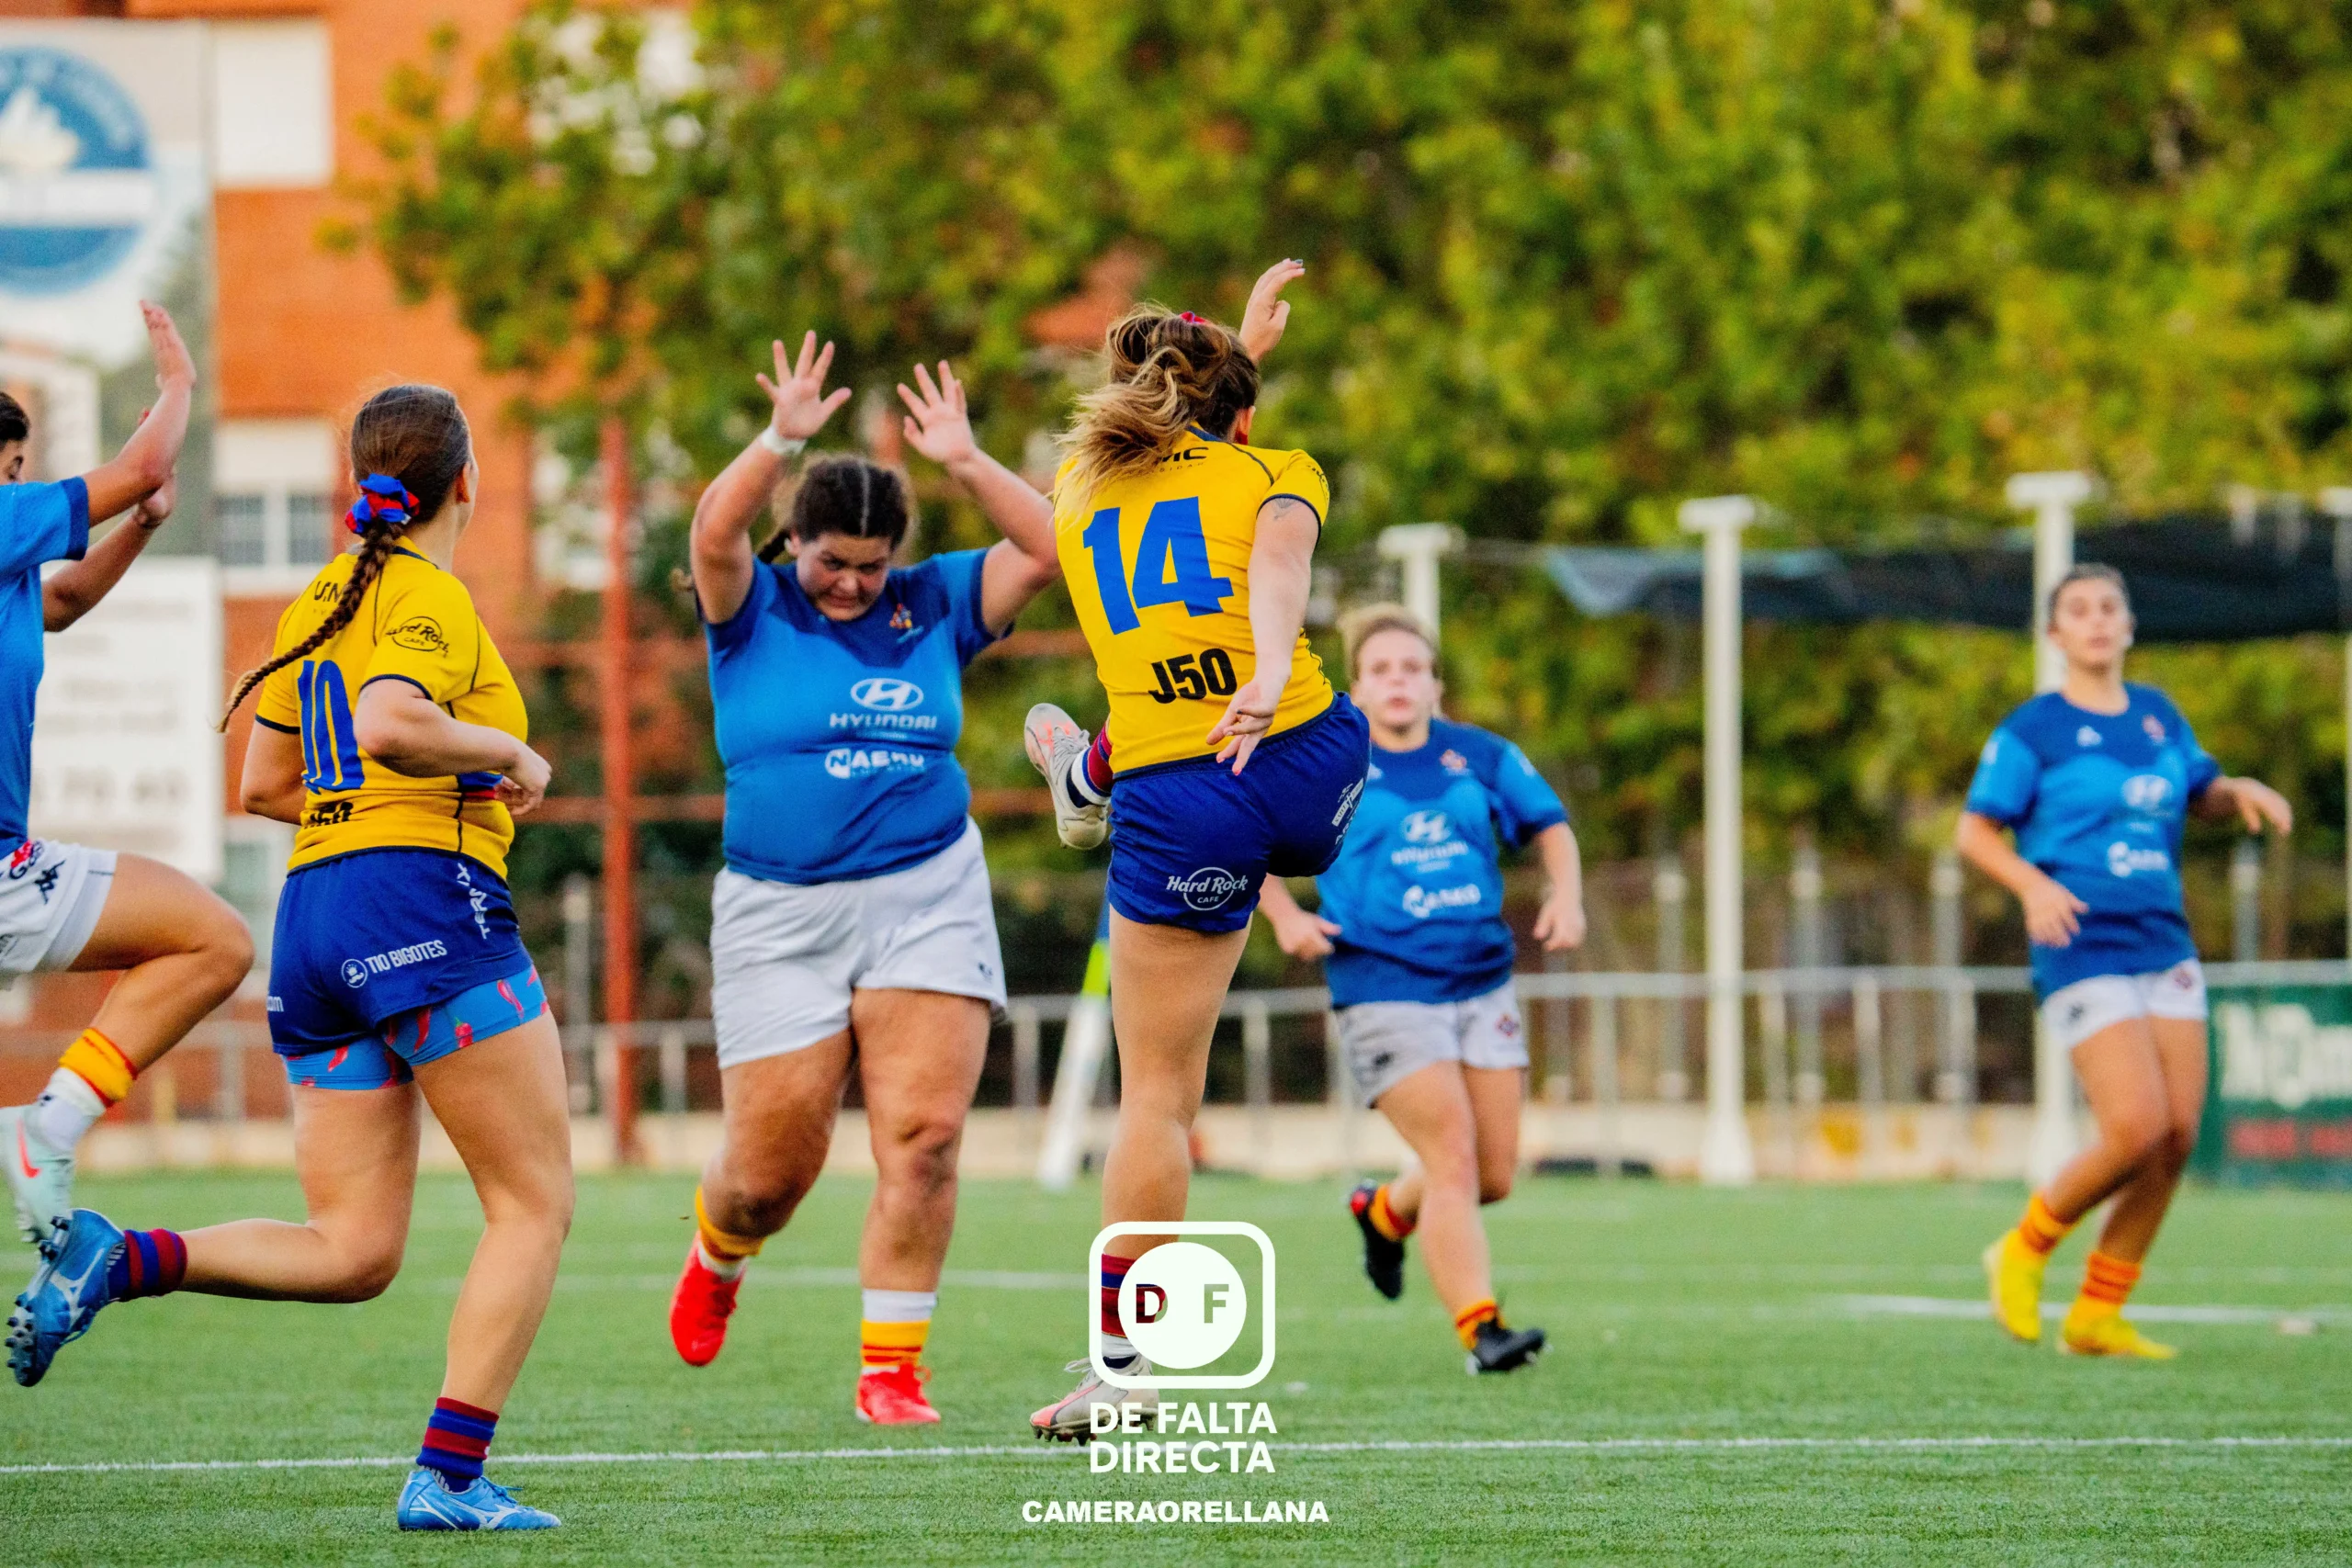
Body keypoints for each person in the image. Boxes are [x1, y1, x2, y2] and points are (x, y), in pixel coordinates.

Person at [7, 384, 573, 1531]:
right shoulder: (428, 592)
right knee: (533, 1204)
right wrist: (509, 748)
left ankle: (124, 1260)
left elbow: (264, 786)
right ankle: (449, 1479)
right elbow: (392, 727)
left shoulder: (318, 596)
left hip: (312, 918)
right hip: (421, 902)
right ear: (465, 484)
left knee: (354, 1248)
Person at [665, 333, 1061, 1426]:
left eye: (868, 565)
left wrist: (970, 463)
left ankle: (892, 1369)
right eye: (830, 558)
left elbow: (1055, 550)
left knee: (925, 1138)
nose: (848, 582)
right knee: (767, 1175)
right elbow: (711, 527)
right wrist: (779, 437)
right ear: (794, 540)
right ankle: (719, 1252)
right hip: (777, 913)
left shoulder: (933, 602)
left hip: (926, 893)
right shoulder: (750, 609)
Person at [1021, 262, 1373, 1438]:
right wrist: (1271, 670)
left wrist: (1233, 356)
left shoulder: (1074, 486)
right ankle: (1091, 770)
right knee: (1356, 729)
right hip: (1314, 773)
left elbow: (1167, 437)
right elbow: (1276, 562)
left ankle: (1124, 1370)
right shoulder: (1275, 468)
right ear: (1247, 410)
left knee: (1157, 1101)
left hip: (1186, 796)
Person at [1966, 563, 2291, 1359]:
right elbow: (1974, 832)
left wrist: (2236, 787)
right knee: (2136, 1125)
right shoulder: (2033, 729)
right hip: (2081, 937)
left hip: (2161, 935)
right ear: (2055, 635)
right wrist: (2032, 885)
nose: (2098, 620)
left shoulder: (2157, 717)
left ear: (2130, 625)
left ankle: (2098, 1311)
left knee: (2179, 1132)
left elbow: (2198, 792)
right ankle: (2024, 1245)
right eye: (2079, 610)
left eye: (2111, 606)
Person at [1255, 604, 1581, 1372]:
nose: (1397, 680)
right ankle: (1482, 1328)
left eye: (1412, 667)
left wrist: (1566, 895)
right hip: (1382, 984)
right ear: (1357, 686)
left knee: (1492, 1175)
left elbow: (1551, 826)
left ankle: (1382, 1211)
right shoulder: (1328, 761)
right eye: (1380, 669)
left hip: (1482, 982)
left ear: (1435, 683)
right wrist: (1283, 915)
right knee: (1453, 1159)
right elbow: (1250, 834)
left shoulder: (1482, 755)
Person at [0, 303, 254, 1250]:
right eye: (15, 471)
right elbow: (143, 464)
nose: (23, 488)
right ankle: (49, 1125)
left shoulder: (14, 568)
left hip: (12, 863)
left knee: (211, 939)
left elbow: (59, 603)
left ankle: (43, 1128)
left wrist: (140, 531)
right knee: (213, 943)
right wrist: (179, 387)